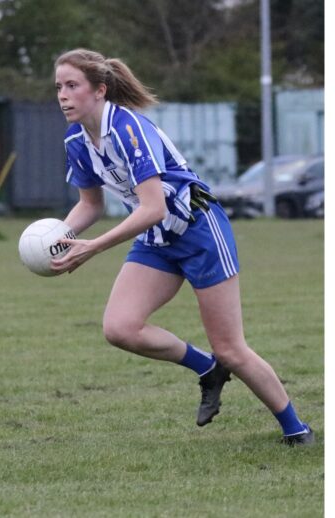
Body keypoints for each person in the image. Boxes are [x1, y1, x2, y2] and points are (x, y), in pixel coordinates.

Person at [51, 48, 313, 445]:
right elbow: (90, 205)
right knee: (120, 328)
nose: (63, 95)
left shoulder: (128, 130)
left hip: (199, 232)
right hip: (157, 239)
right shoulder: (76, 139)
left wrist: (94, 247)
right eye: (58, 87)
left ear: (100, 90)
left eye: (73, 85)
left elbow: (154, 207)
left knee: (231, 349)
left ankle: (296, 429)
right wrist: (57, 237)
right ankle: (207, 370)